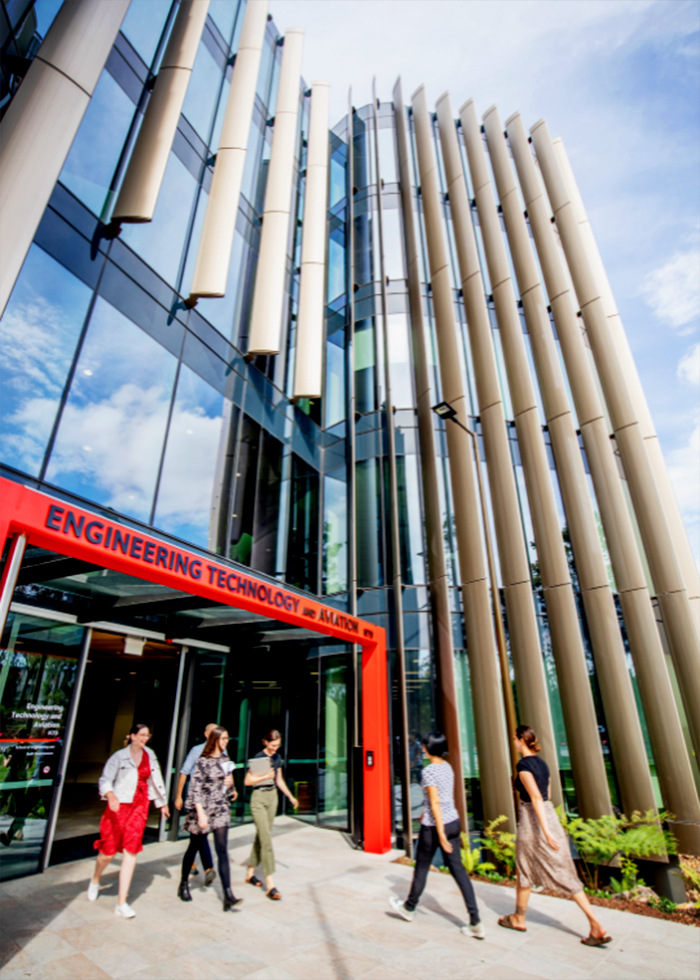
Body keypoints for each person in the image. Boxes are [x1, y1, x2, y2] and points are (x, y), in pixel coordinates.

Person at [498, 725, 611, 947]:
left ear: (521, 740)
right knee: (561, 872)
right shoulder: (543, 764)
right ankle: (521, 918)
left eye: (514, 738)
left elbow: (536, 798)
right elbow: (547, 795)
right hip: (549, 817)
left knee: (525, 869)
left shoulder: (523, 765)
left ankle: (520, 918)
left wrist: (546, 833)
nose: (513, 741)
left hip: (534, 822)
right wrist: (550, 827)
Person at [389, 732, 485, 939]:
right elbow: (442, 797)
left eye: (424, 747)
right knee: (459, 871)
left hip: (435, 826)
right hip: (454, 821)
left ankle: (409, 907)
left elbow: (435, 802)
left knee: (422, 866)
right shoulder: (447, 767)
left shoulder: (429, 771)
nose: (422, 749)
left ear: (427, 749)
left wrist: (440, 833)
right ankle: (475, 921)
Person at [88, 723, 169, 918]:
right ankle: (96, 879)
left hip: (139, 807)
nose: (144, 738)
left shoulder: (150, 756)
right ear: (132, 736)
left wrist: (162, 803)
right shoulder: (119, 756)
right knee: (108, 853)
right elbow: (105, 779)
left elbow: (155, 781)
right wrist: (110, 796)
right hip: (118, 807)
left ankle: (121, 903)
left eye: (147, 736)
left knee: (131, 850)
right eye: (141, 735)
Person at [179, 725, 241, 911]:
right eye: (223, 739)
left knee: (222, 849)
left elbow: (226, 788)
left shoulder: (225, 760)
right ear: (214, 740)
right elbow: (195, 788)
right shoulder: (203, 761)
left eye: (227, 739)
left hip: (220, 808)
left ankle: (228, 894)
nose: (226, 742)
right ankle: (183, 884)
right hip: (203, 809)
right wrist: (200, 813)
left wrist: (230, 785)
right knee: (194, 846)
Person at [244, 729, 298, 900]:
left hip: (272, 797)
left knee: (262, 836)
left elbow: (279, 779)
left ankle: (250, 872)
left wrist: (290, 796)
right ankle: (270, 884)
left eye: (278, 745)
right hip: (259, 798)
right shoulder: (259, 757)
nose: (275, 748)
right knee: (266, 839)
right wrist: (265, 776)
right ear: (265, 742)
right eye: (273, 745)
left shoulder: (277, 757)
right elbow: (247, 781)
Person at [175, 722, 231, 885]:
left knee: (204, 838)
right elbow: (185, 773)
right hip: (198, 801)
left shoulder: (223, 753)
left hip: (216, 804)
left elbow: (228, 774)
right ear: (208, 735)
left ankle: (211, 873)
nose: (223, 741)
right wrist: (179, 796)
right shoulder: (197, 752)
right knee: (199, 838)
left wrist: (230, 787)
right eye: (218, 735)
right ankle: (203, 869)